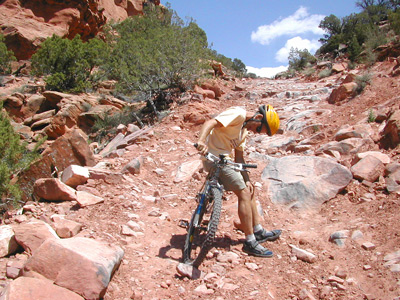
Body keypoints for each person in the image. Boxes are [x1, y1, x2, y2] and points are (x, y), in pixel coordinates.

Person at [196, 105, 281, 257]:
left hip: (226, 161)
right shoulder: (238, 114)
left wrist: (248, 180)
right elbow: (210, 123)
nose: (256, 132)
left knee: (248, 189)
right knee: (243, 193)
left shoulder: (243, 132)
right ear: (259, 118)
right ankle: (250, 242)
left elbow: (239, 158)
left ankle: (259, 231)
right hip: (214, 158)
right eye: (258, 129)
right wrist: (201, 141)